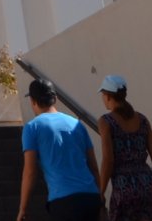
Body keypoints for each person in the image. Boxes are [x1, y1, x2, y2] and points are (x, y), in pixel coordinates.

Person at [19, 77, 101, 221]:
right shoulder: (77, 124)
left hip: (63, 200)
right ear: (55, 98)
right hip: (90, 196)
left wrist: (23, 208)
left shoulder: (32, 128)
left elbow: (30, 172)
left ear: (33, 101)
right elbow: (93, 166)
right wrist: (100, 197)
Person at [96, 75, 152, 218]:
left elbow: (108, 160)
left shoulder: (106, 122)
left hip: (124, 188)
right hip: (147, 185)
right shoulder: (142, 120)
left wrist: (101, 191)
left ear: (108, 96)